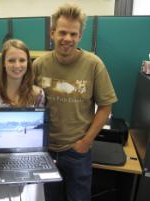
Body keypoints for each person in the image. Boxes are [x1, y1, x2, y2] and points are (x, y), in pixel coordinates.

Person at [33, 4, 117, 201]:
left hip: (77, 151)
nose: (67, 39)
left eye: (73, 34)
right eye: (62, 32)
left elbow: (105, 107)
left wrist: (85, 142)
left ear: (80, 36)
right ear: (52, 32)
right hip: (46, 150)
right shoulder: (39, 65)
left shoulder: (94, 64)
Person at [0, 39, 45, 108]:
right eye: (11, 60)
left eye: (22, 60)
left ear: (28, 63)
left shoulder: (38, 95)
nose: (17, 65)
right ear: (4, 63)